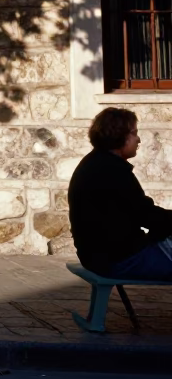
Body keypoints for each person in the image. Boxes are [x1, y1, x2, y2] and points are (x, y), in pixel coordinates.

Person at [68, 107, 172, 279]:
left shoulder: (97, 162)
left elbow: (139, 214)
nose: (138, 139)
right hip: (117, 259)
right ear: (119, 135)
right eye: (134, 133)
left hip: (101, 255)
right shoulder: (111, 170)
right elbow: (147, 216)